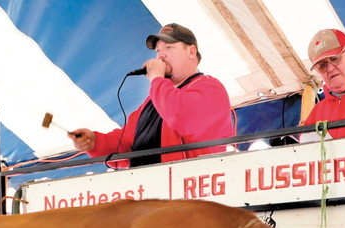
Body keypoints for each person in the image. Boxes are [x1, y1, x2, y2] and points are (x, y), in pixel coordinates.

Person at [70, 23, 234, 167]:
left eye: (169, 48)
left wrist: (156, 78)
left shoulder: (210, 88)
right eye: (157, 50)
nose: (160, 55)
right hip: (149, 194)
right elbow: (125, 141)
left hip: (191, 194)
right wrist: (95, 142)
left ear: (191, 51)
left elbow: (182, 116)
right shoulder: (154, 99)